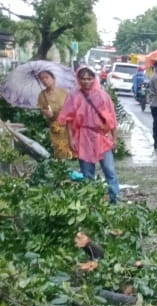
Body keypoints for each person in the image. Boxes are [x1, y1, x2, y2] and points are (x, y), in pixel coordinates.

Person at [58, 66, 121, 203]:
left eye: (89, 78)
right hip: (83, 138)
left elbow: (112, 118)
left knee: (110, 171)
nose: (86, 81)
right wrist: (71, 138)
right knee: (87, 174)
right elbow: (68, 119)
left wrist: (114, 138)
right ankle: (91, 202)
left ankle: (115, 201)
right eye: (83, 78)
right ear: (78, 79)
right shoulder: (73, 96)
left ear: (94, 78)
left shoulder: (103, 96)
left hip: (101, 137)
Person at [36, 69, 73, 160]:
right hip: (55, 127)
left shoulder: (64, 92)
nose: (44, 80)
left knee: (71, 150)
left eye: (46, 77)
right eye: (42, 79)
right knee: (60, 152)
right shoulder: (42, 95)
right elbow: (42, 109)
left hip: (68, 126)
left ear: (53, 78)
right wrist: (47, 113)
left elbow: (71, 108)